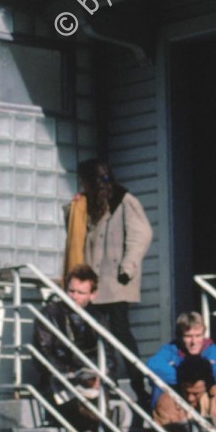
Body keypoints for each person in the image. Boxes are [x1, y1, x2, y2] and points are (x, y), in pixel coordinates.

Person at [65, 159, 153, 391]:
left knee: (121, 332)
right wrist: (72, 208)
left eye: (84, 180)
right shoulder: (91, 204)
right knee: (97, 333)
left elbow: (141, 233)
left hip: (117, 280)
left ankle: (137, 383)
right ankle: (107, 380)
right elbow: (77, 233)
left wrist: (128, 265)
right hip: (95, 281)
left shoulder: (124, 201)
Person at [33, 265, 120, 432]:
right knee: (86, 404)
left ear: (92, 295)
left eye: (81, 293)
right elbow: (43, 352)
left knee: (98, 397)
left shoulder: (99, 319)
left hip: (90, 382)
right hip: (59, 380)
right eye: (71, 290)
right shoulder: (51, 313)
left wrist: (99, 376)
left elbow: (110, 357)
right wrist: (72, 373)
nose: (74, 297)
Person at [145, 312, 216, 408]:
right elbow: (152, 365)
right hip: (177, 399)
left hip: (206, 400)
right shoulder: (171, 349)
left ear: (204, 334)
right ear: (180, 336)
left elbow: (213, 369)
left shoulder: (214, 351)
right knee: (159, 386)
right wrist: (188, 376)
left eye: (198, 336)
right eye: (188, 336)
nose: (194, 342)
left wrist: (176, 367)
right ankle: (162, 421)